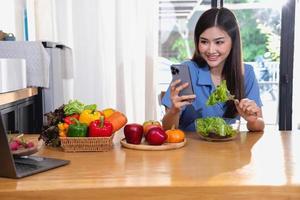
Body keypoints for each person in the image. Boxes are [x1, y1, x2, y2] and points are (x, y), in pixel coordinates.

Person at [161, 7, 265, 132]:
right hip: (189, 149)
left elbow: (259, 125)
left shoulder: (246, 72)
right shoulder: (186, 70)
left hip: (228, 149)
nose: (211, 50)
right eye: (204, 42)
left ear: (233, 42)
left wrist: (251, 119)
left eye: (219, 42)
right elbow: (167, 128)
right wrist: (174, 111)